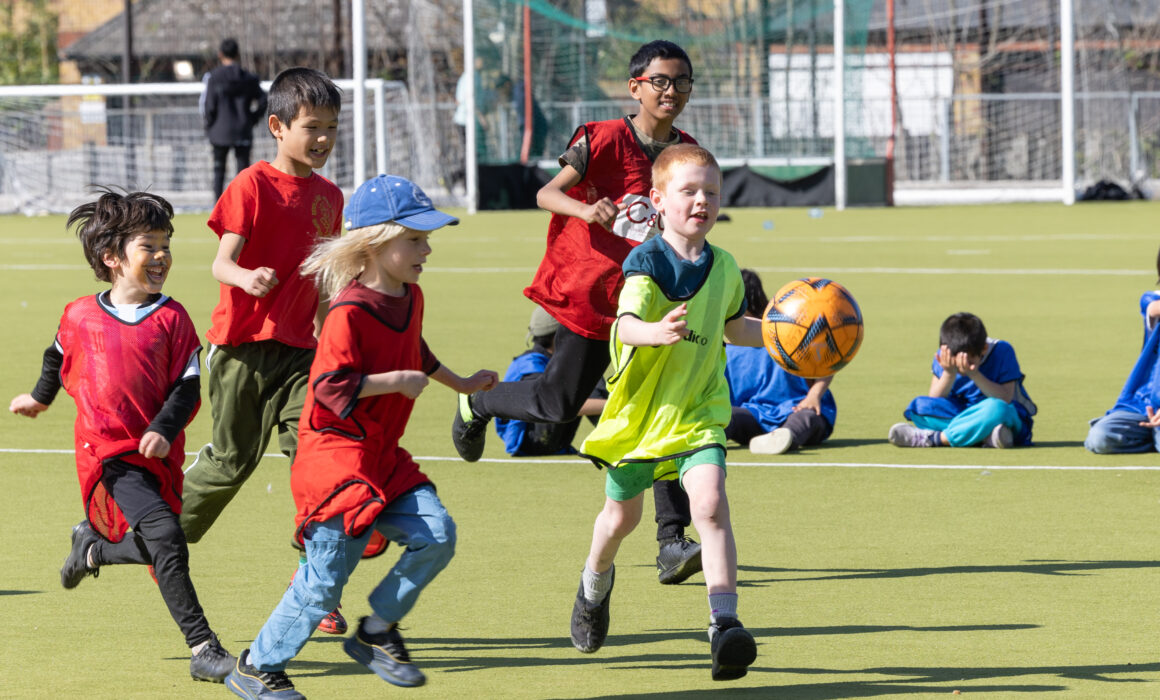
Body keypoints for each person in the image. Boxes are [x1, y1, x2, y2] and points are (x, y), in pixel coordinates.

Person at [224, 175, 498, 700]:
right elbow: (327, 390)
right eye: (415, 239)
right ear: (375, 244)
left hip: (381, 458)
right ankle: (257, 666)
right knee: (325, 581)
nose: (427, 249)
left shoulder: (411, 296)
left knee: (437, 536)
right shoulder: (348, 312)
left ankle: (376, 632)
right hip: (335, 463)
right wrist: (393, 383)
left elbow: (413, 348)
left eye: (427, 238)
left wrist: (460, 383)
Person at [451, 39, 704, 583]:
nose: (671, 91)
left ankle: (671, 541)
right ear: (635, 86)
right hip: (588, 293)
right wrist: (587, 208)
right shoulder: (603, 138)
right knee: (560, 402)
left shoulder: (686, 153)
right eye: (660, 81)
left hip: (648, 302)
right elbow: (546, 194)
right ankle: (481, 402)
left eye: (681, 81)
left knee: (663, 409)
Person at [8, 189, 236, 684]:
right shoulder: (79, 315)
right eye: (148, 246)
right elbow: (56, 355)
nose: (161, 257)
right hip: (106, 453)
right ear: (111, 258)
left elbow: (189, 387)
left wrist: (162, 427)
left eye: (166, 245)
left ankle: (93, 550)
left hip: (156, 453)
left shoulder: (173, 319)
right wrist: (40, 398)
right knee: (169, 538)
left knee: (163, 542)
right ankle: (203, 647)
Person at [569, 143, 760, 681]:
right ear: (657, 199)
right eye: (689, 191)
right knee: (619, 520)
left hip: (699, 413)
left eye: (712, 192)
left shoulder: (724, 266)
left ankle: (725, 627)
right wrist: (653, 333)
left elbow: (734, 328)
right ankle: (593, 585)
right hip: (640, 417)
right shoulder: (646, 261)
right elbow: (624, 323)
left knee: (712, 505)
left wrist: (784, 333)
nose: (702, 201)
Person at [180, 67, 351, 633]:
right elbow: (219, 262)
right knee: (231, 463)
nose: (323, 138)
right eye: (312, 127)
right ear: (277, 126)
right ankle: (157, 533)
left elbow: (324, 280)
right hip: (241, 350)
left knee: (316, 461)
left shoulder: (331, 196)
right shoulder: (252, 185)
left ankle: (317, 584)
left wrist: (338, 336)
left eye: (331, 127)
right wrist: (245, 277)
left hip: (303, 352)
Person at [723, 269, 836, 455]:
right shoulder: (724, 341)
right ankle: (704, 442)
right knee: (725, 416)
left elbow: (826, 363)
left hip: (795, 407)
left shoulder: (786, 330)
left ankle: (785, 438)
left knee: (807, 418)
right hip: (754, 414)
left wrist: (813, 396)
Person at [889, 312, 1036, 448]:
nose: (961, 365)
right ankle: (984, 436)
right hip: (963, 412)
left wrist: (974, 374)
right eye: (956, 361)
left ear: (983, 349)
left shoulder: (1002, 351)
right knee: (919, 407)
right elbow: (935, 398)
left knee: (997, 409)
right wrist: (948, 373)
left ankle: (935, 438)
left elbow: (1005, 397)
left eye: (969, 360)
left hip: (1006, 416)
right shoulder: (945, 354)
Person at [494, 306, 606, 457]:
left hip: (550, 437)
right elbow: (557, 403)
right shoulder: (531, 365)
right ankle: (622, 435)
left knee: (586, 369)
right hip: (531, 442)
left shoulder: (545, 358)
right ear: (559, 336)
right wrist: (615, 404)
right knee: (584, 371)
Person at [1084, 256, 1160, 453]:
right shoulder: (1152, 299)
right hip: (1142, 403)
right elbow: (1153, 309)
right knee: (1100, 437)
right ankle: (1150, 435)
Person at [203, 38, 267, 203]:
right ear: (238, 54)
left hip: (219, 131)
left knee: (219, 171)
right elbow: (263, 100)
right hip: (242, 130)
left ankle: (218, 206)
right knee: (243, 171)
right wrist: (252, 118)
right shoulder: (248, 78)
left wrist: (209, 126)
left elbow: (209, 106)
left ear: (220, 54)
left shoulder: (214, 77)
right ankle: (243, 205)